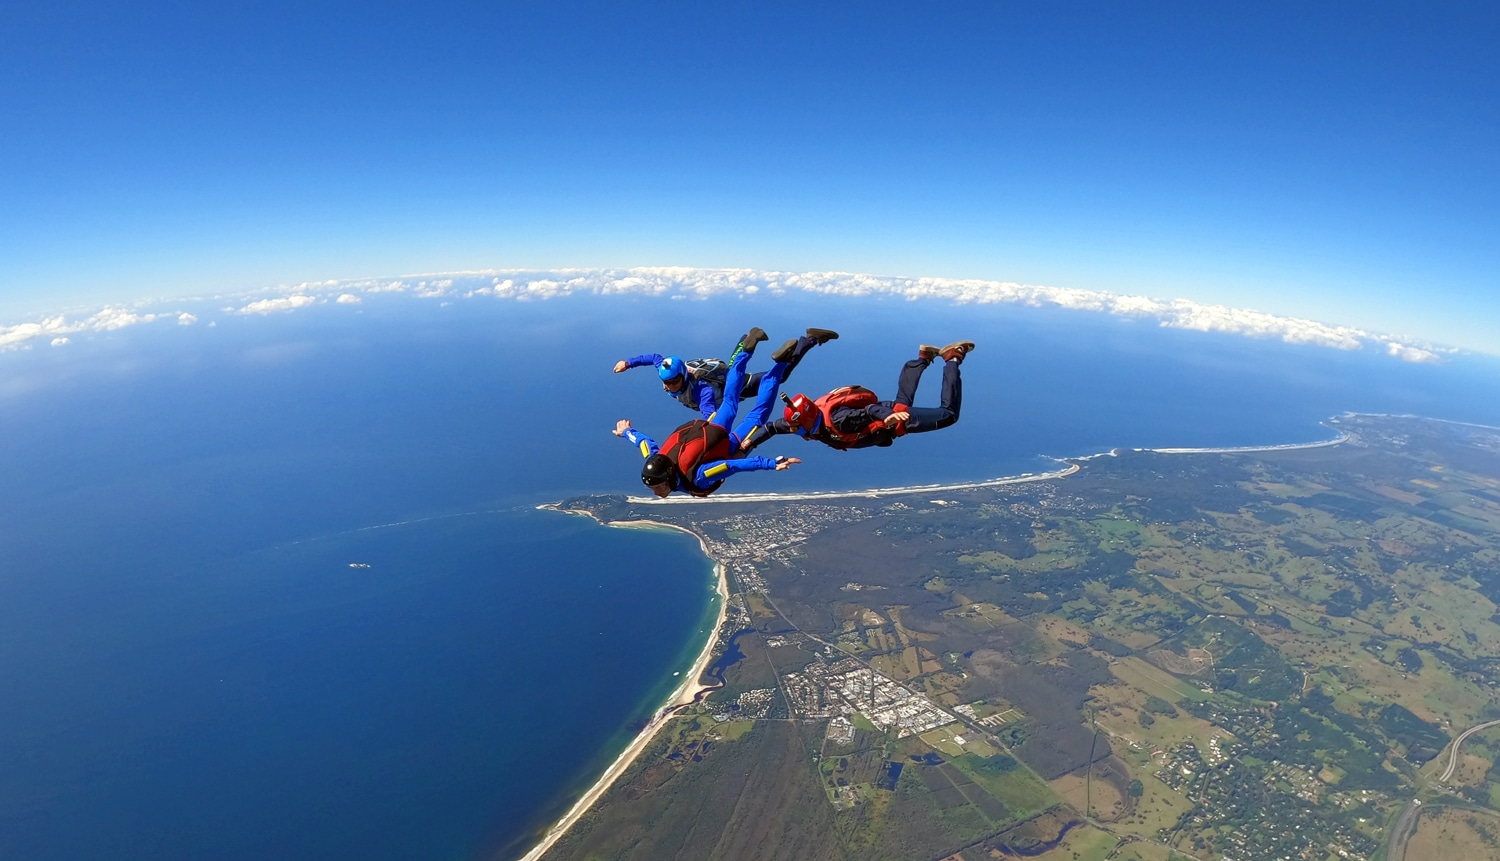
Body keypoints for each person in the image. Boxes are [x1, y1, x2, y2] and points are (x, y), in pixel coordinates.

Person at [613, 327, 814, 497]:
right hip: (710, 429)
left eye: (657, 487)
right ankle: (746, 351)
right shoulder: (655, 459)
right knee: (731, 398)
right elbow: (644, 443)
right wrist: (627, 432)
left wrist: (771, 464)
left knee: (759, 413)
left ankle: (779, 365)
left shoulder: (698, 477)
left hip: (724, 442)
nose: (656, 493)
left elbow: (730, 466)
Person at [741, 340, 973, 453]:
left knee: (948, 416)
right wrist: (749, 444)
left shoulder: (840, 420)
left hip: (890, 419)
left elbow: (868, 412)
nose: (795, 433)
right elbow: (771, 428)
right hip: (888, 419)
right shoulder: (800, 421)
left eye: (798, 429)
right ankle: (922, 357)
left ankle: (952, 358)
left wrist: (889, 417)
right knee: (902, 400)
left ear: (808, 422)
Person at [612, 328, 838, 420]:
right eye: (667, 381)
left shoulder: (700, 390)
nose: (670, 385)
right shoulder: (669, 369)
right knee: (732, 369)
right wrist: (628, 363)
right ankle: (749, 340)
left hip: (737, 387)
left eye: (673, 381)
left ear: (682, 374)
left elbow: (709, 410)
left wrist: (709, 425)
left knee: (780, 376)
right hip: (724, 379)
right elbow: (653, 357)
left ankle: (809, 340)